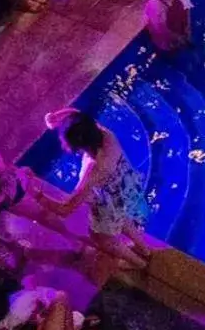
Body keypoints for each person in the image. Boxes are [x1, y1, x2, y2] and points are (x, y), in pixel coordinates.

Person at [43, 108, 152, 269]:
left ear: (76, 143)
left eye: (63, 139)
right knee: (122, 219)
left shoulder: (93, 169)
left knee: (101, 237)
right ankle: (144, 249)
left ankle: (138, 264)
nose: (61, 142)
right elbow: (77, 112)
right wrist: (55, 117)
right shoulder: (104, 134)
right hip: (126, 186)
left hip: (109, 203)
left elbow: (66, 209)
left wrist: (35, 193)